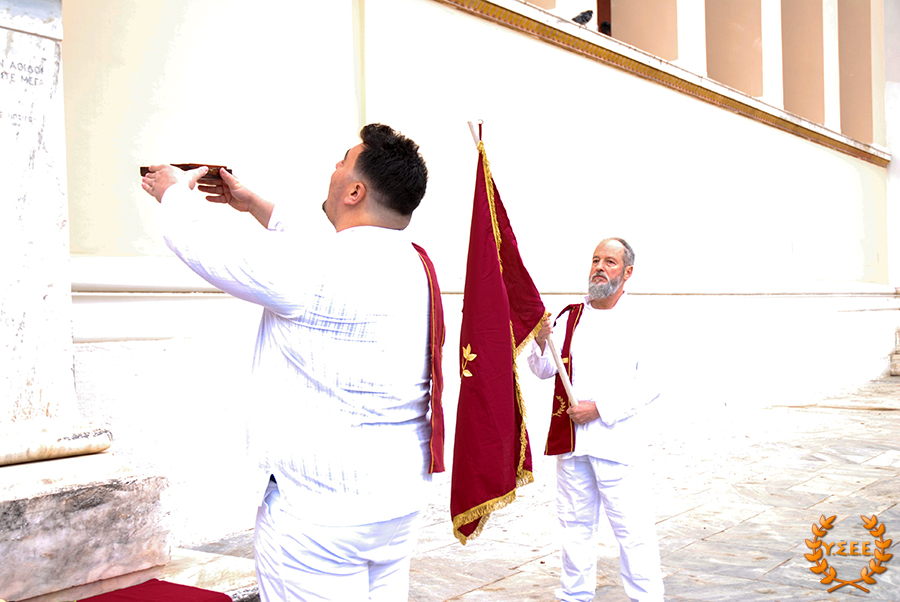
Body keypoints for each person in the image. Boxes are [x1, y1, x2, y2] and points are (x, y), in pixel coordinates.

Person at [141, 123, 444, 602]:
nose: (334, 169)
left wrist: (174, 194)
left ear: (355, 191)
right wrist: (253, 204)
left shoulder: (313, 267)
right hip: (396, 500)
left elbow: (211, 250)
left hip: (318, 512)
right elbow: (323, 250)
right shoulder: (417, 264)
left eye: (342, 163)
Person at [527, 238, 663, 602]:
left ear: (627, 272)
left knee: (633, 533)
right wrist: (540, 341)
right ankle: (574, 596)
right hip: (573, 443)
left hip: (617, 444)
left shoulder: (640, 320)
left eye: (610, 262)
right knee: (574, 529)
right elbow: (544, 369)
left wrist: (600, 408)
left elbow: (651, 383)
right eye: (595, 260)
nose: (600, 267)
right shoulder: (570, 316)